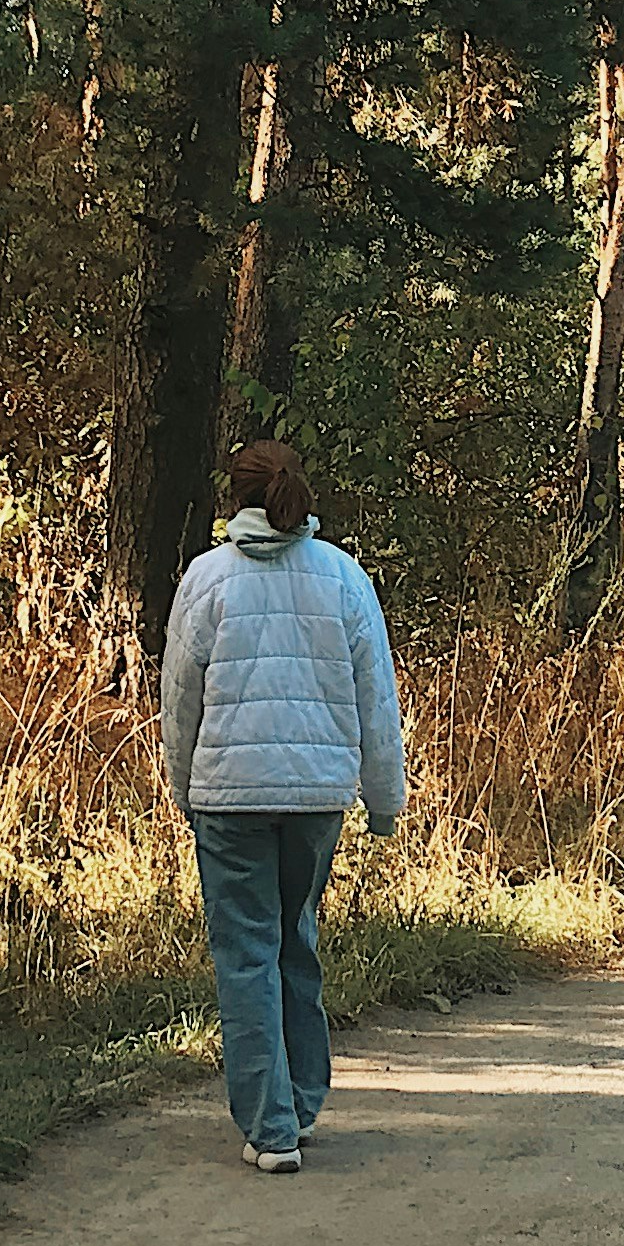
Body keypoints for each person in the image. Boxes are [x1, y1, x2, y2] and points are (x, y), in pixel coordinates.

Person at [159, 438, 405, 1174]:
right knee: (296, 939)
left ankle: (271, 1131)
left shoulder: (207, 580)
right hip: (316, 797)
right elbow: (376, 702)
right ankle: (300, 1103)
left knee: (245, 955)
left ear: (234, 497)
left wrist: (183, 788)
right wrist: (384, 801)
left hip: (229, 798)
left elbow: (180, 701)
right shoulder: (343, 578)